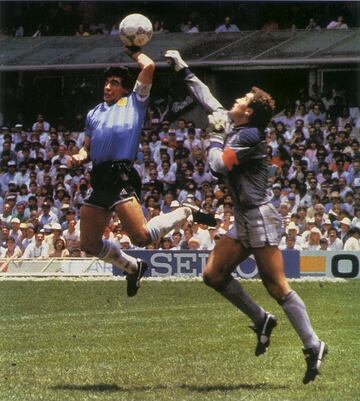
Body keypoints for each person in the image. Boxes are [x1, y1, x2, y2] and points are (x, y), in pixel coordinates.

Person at [164, 49, 327, 384]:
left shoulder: (250, 136)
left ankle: (314, 344)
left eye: (241, 98)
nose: (234, 100)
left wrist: (211, 136)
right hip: (245, 217)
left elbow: (217, 166)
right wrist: (182, 68)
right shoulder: (238, 124)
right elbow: (207, 98)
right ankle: (262, 320)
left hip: (260, 217)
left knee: (277, 286)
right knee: (213, 274)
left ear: (248, 111)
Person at [70, 46, 215, 297]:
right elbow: (86, 149)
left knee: (141, 237)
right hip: (100, 176)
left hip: (121, 174)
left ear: (125, 88)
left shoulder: (134, 102)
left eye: (113, 83)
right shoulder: (94, 113)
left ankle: (184, 211)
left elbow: (148, 66)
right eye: (106, 83)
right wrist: (79, 156)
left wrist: (133, 50)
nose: (107, 87)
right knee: (88, 244)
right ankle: (134, 267)